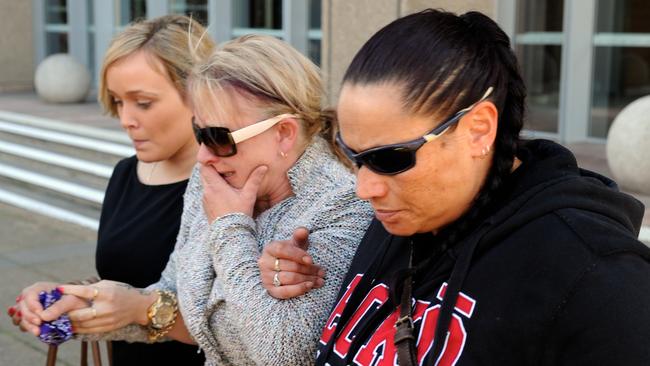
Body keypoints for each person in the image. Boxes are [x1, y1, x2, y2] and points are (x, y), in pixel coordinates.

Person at [261, 9, 650, 365]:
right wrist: (297, 275)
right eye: (353, 155)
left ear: (479, 130)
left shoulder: (596, 276)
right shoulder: (402, 215)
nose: (365, 188)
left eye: (391, 159)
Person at [17, 34, 374, 366]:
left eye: (219, 137)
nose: (203, 156)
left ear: (283, 133)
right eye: (198, 133)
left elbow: (280, 352)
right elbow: (176, 294)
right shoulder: (214, 180)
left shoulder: (345, 204)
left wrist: (230, 227)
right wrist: (77, 306)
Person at [7, 15, 213, 365]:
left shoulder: (232, 185)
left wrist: (139, 310)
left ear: (198, 94)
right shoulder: (124, 173)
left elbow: (244, 325)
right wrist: (63, 299)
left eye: (143, 102)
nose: (125, 119)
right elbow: (122, 283)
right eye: (118, 101)